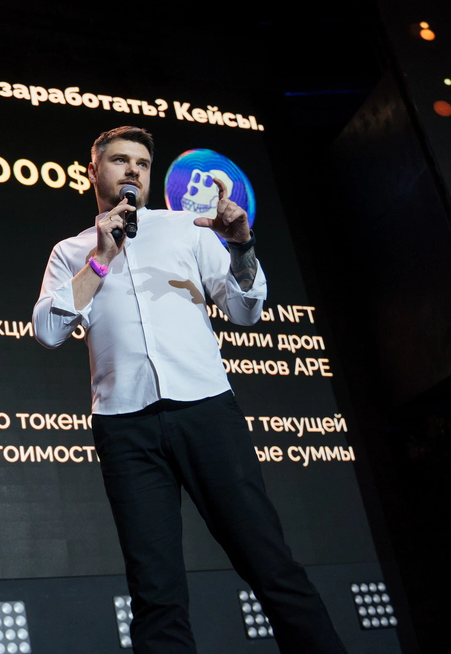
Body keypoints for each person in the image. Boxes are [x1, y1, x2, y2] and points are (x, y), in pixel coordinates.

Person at [32, 126, 345, 653]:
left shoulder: (187, 229)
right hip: (125, 428)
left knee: (270, 563)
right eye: (120, 160)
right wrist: (101, 259)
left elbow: (245, 310)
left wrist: (241, 245)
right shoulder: (72, 251)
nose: (133, 171)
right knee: (155, 593)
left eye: (142, 164)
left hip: (206, 412)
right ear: (94, 171)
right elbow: (48, 331)